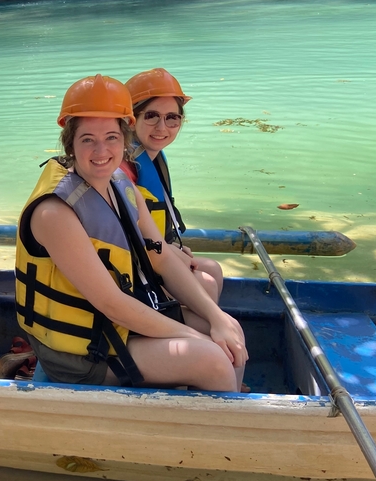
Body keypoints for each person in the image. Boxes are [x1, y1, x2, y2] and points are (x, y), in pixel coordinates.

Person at [15, 75, 247, 391]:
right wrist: (197, 338)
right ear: (70, 143)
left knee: (231, 331)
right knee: (214, 358)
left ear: (125, 139)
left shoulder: (121, 185)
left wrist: (217, 318)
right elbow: (111, 303)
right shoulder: (55, 213)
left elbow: (162, 258)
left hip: (116, 327)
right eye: (87, 139)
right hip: (82, 354)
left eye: (111, 137)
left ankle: (220, 407)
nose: (101, 151)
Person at [121, 68, 224, 303]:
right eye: (151, 116)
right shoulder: (123, 167)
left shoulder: (151, 157)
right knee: (206, 283)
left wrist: (172, 248)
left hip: (153, 253)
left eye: (172, 118)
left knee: (213, 270)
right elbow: (124, 235)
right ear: (130, 120)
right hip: (133, 266)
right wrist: (170, 253)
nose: (162, 127)